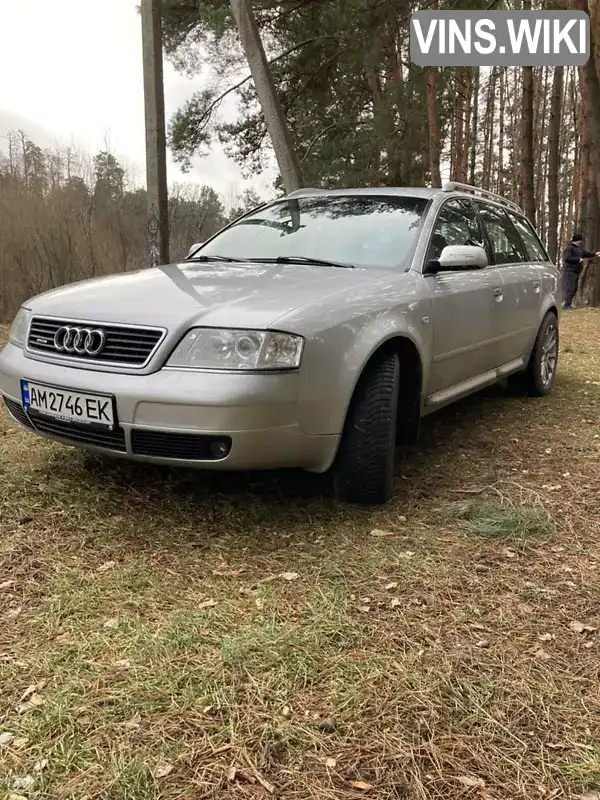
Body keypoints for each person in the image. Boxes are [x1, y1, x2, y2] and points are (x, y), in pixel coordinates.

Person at [562, 233, 600, 309]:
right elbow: (567, 258)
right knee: (570, 287)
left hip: (576, 271)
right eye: (580, 241)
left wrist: (595, 253)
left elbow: (586, 254)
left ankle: (569, 304)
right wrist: (578, 259)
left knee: (575, 288)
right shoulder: (569, 248)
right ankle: (567, 305)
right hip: (569, 271)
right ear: (576, 240)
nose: (581, 242)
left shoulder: (579, 249)